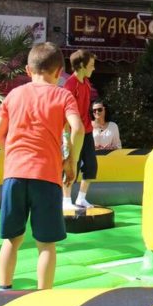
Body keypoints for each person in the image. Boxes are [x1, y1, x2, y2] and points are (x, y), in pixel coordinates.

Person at [0, 42, 84, 291]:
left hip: (14, 175)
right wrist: (70, 161)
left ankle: (4, 289)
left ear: (28, 71)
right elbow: (78, 128)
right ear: (59, 72)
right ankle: (44, 296)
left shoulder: (13, 95)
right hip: (46, 176)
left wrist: (16, 152)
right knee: (46, 244)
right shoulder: (63, 94)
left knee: (12, 239)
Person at [62, 50, 98, 210]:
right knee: (71, 165)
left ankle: (81, 199)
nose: (94, 68)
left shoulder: (86, 83)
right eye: (91, 65)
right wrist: (66, 135)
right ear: (82, 65)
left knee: (91, 166)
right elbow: (64, 112)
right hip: (73, 132)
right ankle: (66, 200)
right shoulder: (70, 85)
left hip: (87, 130)